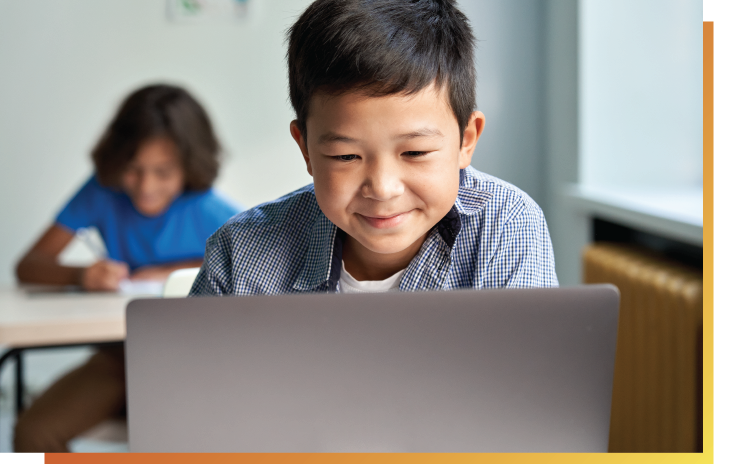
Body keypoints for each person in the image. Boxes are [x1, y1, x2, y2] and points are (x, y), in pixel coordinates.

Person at [190, 0, 557, 298]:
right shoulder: (241, 251)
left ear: (466, 140)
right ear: (306, 151)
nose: (382, 187)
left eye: (414, 153)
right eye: (346, 156)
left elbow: (531, 382)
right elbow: (194, 383)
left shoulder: (506, 224)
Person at [13, 84, 242, 452]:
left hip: (196, 363)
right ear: (116, 161)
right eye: (133, 170)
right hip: (120, 357)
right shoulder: (102, 192)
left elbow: (260, 264)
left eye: (163, 172)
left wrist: (171, 271)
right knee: (34, 433)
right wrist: (81, 275)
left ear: (190, 166)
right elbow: (29, 266)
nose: (146, 186)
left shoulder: (208, 209)